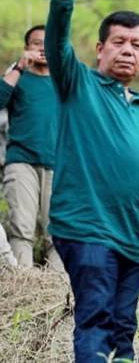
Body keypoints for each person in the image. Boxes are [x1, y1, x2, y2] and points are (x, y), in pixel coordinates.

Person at [45, 0, 139, 361]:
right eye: (118, 42)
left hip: (133, 241)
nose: (127, 50)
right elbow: (57, 46)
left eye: (135, 45)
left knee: (124, 328)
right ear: (100, 49)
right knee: (95, 319)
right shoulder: (79, 85)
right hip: (89, 229)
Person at [0, 25, 62, 269]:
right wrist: (19, 67)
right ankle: (23, 289)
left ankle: (60, 291)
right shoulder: (19, 77)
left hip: (59, 165)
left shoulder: (64, 82)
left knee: (57, 232)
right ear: (27, 48)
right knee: (21, 228)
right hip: (21, 161)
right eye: (36, 43)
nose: (42, 47)